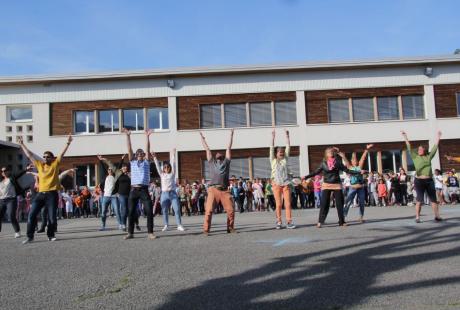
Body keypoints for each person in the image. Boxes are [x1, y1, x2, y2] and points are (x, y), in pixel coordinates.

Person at [19, 134, 73, 243]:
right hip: (40, 194)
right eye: (44, 156)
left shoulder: (55, 164)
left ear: (52, 158)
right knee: (32, 214)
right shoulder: (39, 165)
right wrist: (22, 144)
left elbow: (62, 154)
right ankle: (30, 237)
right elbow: (30, 155)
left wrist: (68, 143)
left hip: (51, 194)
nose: (45, 158)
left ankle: (51, 235)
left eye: (47, 156)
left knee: (52, 217)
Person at [304, 147, 363, 228]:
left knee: (339, 204)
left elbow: (347, 170)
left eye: (331, 151)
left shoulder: (337, 162)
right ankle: (320, 221)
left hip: (337, 184)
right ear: (326, 154)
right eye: (329, 152)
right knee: (324, 204)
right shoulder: (323, 163)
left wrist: (358, 172)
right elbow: (316, 172)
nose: (330, 152)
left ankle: (341, 221)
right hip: (326, 185)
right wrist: (306, 177)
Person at [401, 130, 442, 223]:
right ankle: (417, 217)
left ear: (424, 150)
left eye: (420, 149)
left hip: (429, 181)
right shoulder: (415, 156)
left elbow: (435, 148)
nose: (418, 150)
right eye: (418, 149)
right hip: (419, 181)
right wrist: (405, 137)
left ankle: (437, 216)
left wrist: (438, 137)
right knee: (419, 200)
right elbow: (408, 147)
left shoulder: (429, 156)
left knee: (433, 200)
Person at [200, 129, 235, 235]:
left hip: (224, 190)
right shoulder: (211, 163)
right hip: (213, 190)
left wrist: (231, 135)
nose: (219, 154)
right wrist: (202, 138)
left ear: (223, 157)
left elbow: (228, 148)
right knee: (209, 210)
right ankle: (206, 230)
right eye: (217, 154)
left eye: (221, 154)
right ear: (215, 157)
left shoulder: (226, 163)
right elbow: (207, 150)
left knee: (231, 210)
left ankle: (230, 228)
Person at [122, 129, 155, 240]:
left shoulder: (146, 162)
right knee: (131, 212)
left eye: (142, 153)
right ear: (136, 155)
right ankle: (130, 233)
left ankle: (150, 232)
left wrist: (147, 136)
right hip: (134, 191)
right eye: (138, 153)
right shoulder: (132, 162)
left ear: (144, 155)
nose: (140, 154)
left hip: (144, 190)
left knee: (149, 211)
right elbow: (129, 148)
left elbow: (148, 148)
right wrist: (128, 136)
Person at [153, 149, 185, 232]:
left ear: (169, 168)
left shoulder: (172, 174)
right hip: (164, 194)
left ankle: (179, 225)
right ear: (163, 168)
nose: (166, 168)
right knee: (164, 210)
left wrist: (173, 155)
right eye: (165, 167)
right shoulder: (162, 174)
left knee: (177, 209)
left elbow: (173, 164)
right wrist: (155, 158)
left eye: (167, 167)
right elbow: (157, 166)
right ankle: (166, 225)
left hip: (173, 193)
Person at [270, 129, 295, 229]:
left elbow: (288, 147)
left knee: (288, 204)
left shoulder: (285, 159)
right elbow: (271, 148)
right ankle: (279, 221)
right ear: (276, 153)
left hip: (286, 184)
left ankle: (289, 222)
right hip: (276, 184)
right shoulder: (273, 160)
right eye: (279, 151)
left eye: (282, 151)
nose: (281, 152)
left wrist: (287, 136)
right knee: (279, 204)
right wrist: (273, 137)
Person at [343, 144, 373, 223]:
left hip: (361, 187)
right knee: (348, 202)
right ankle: (343, 216)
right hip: (352, 187)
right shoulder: (350, 167)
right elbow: (345, 160)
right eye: (353, 160)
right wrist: (342, 155)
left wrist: (366, 149)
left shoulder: (359, 166)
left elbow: (363, 158)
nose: (355, 161)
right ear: (351, 161)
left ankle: (361, 217)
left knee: (362, 202)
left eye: (356, 160)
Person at [97, 155, 125, 231]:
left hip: (113, 196)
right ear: (107, 171)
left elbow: (118, 168)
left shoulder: (115, 176)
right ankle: (103, 226)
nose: (110, 170)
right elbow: (102, 167)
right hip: (105, 196)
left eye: (111, 169)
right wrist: (100, 160)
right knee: (103, 212)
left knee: (117, 211)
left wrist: (122, 159)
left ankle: (120, 225)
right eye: (109, 169)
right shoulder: (105, 177)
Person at [0, 166, 25, 238]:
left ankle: (17, 231)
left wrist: (26, 170)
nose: (3, 172)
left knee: (11, 216)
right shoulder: (1, 181)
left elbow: (18, 174)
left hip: (11, 200)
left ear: (9, 171)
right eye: (2, 171)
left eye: (5, 171)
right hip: (1, 200)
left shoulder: (12, 178)